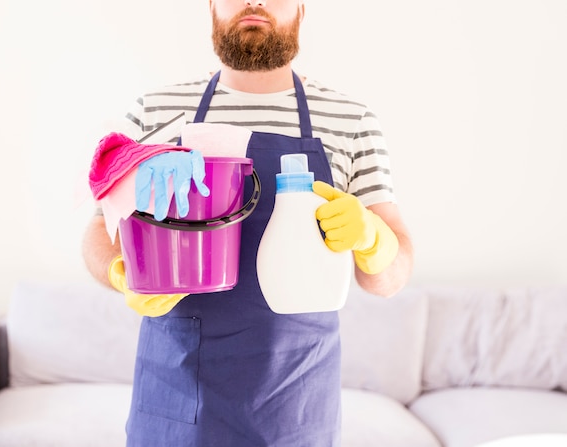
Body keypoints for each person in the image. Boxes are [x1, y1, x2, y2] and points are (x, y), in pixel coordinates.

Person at [82, 0, 414, 445]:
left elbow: (391, 277)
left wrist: (375, 241)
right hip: (174, 403)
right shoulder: (156, 112)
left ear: (301, 9)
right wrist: (122, 274)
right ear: (212, 8)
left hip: (296, 410)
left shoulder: (351, 122)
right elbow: (99, 233)